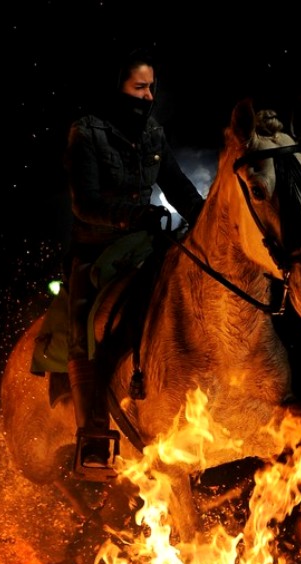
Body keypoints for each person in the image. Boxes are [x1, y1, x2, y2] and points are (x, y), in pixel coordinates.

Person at [63, 47, 205, 473]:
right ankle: (92, 434)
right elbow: (84, 203)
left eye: (151, 88)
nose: (147, 97)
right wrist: (132, 216)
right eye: (139, 87)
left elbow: (179, 188)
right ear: (116, 88)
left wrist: (207, 220)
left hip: (147, 244)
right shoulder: (85, 134)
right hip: (98, 250)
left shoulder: (153, 134)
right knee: (81, 327)